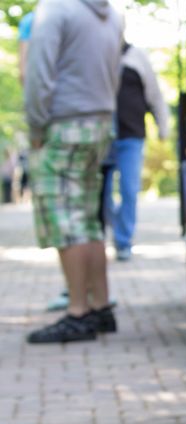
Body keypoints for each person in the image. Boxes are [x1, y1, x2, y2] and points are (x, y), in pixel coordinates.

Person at [24, 0, 123, 343]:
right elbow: (116, 73)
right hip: (99, 123)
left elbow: (38, 73)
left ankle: (77, 312)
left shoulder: (55, 9)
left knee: (65, 220)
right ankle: (100, 307)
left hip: (63, 125)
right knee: (88, 219)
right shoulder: (110, 13)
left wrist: (36, 128)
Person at [103, 42, 169, 262]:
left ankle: (123, 241)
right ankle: (109, 229)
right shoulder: (95, 51)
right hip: (101, 137)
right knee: (101, 194)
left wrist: (163, 127)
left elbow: (154, 94)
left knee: (129, 190)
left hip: (131, 135)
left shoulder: (137, 56)